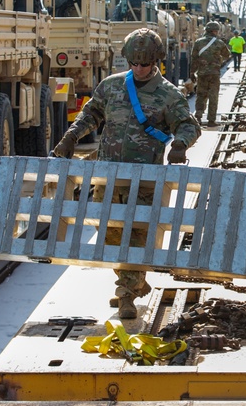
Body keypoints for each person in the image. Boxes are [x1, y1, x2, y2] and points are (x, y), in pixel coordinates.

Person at [51, 28, 201, 319]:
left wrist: (180, 144)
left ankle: (126, 293)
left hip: (145, 180)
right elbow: (91, 113)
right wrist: (71, 136)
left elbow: (188, 124)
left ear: (156, 61)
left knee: (137, 236)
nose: (139, 68)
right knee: (110, 233)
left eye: (145, 63)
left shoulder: (168, 94)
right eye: (134, 62)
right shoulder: (111, 86)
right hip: (108, 176)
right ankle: (130, 282)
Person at [188, 21, 231, 127]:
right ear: (214, 31)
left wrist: (192, 72)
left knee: (201, 95)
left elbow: (194, 58)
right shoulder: (219, 43)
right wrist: (218, 59)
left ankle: (198, 116)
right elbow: (227, 55)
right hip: (214, 74)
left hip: (202, 74)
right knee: (213, 96)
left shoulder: (198, 42)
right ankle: (211, 120)